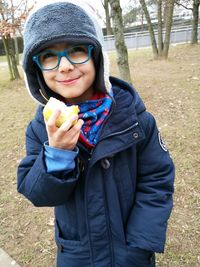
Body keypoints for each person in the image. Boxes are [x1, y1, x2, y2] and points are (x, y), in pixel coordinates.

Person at [17, 0, 175, 266]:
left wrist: (139, 243)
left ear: (97, 56)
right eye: (49, 56)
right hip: (78, 255)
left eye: (77, 50)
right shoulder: (40, 130)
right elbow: (38, 194)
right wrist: (57, 154)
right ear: (37, 70)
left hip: (131, 253)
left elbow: (157, 180)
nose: (64, 66)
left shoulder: (135, 119)